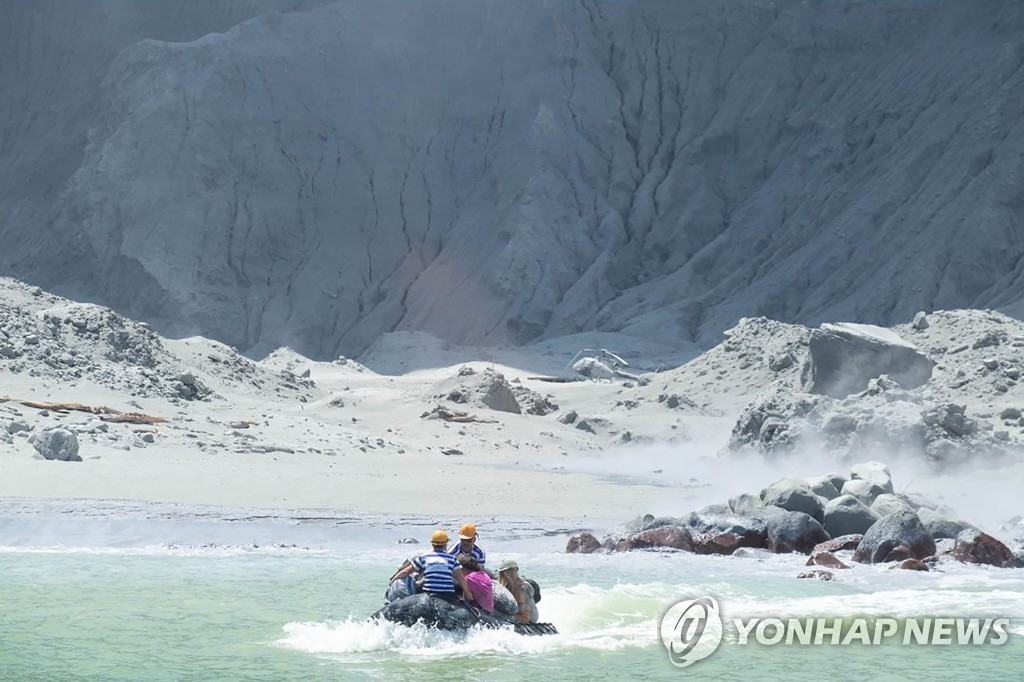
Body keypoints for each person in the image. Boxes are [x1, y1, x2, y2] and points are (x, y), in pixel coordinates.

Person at [390, 530, 470, 601]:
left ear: (432, 544)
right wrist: (467, 592)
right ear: (446, 544)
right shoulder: (452, 559)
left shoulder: (424, 557)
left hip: (428, 593)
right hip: (447, 594)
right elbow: (461, 578)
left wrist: (394, 579)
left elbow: (407, 571)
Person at [497, 559, 538, 623]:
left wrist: (505, 611)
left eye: (510, 571)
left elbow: (521, 608)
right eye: (505, 572)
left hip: (522, 617)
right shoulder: (508, 585)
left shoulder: (518, 586)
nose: (507, 574)